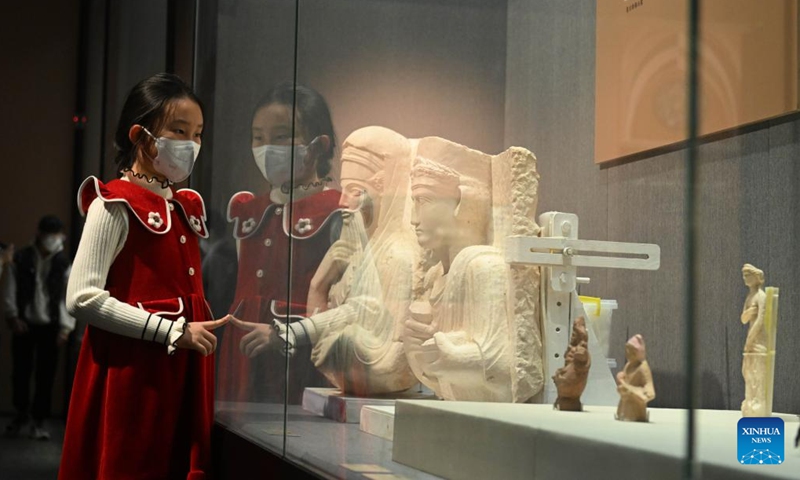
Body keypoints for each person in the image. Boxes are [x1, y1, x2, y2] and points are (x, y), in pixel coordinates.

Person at [59, 73, 229, 479]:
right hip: (132, 380)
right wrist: (170, 331)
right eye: (179, 130)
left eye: (198, 133)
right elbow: (81, 297)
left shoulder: (186, 206)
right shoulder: (114, 203)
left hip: (181, 376)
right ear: (143, 136)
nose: (191, 144)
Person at [218, 82, 342, 404]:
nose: (266, 147)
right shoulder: (247, 210)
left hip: (302, 360)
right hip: (242, 355)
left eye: (282, 136)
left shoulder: (338, 211)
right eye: (258, 137)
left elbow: (345, 304)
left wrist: (289, 334)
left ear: (319, 145)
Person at [2, 216, 73, 440]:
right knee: (20, 373)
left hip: (50, 326)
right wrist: (12, 316)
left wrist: (65, 328)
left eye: (57, 234)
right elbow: (10, 288)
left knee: (46, 375)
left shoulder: (63, 262)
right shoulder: (22, 257)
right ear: (40, 233)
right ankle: (21, 413)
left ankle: (39, 420)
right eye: (50, 234)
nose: (54, 239)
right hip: (25, 323)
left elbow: (66, 297)